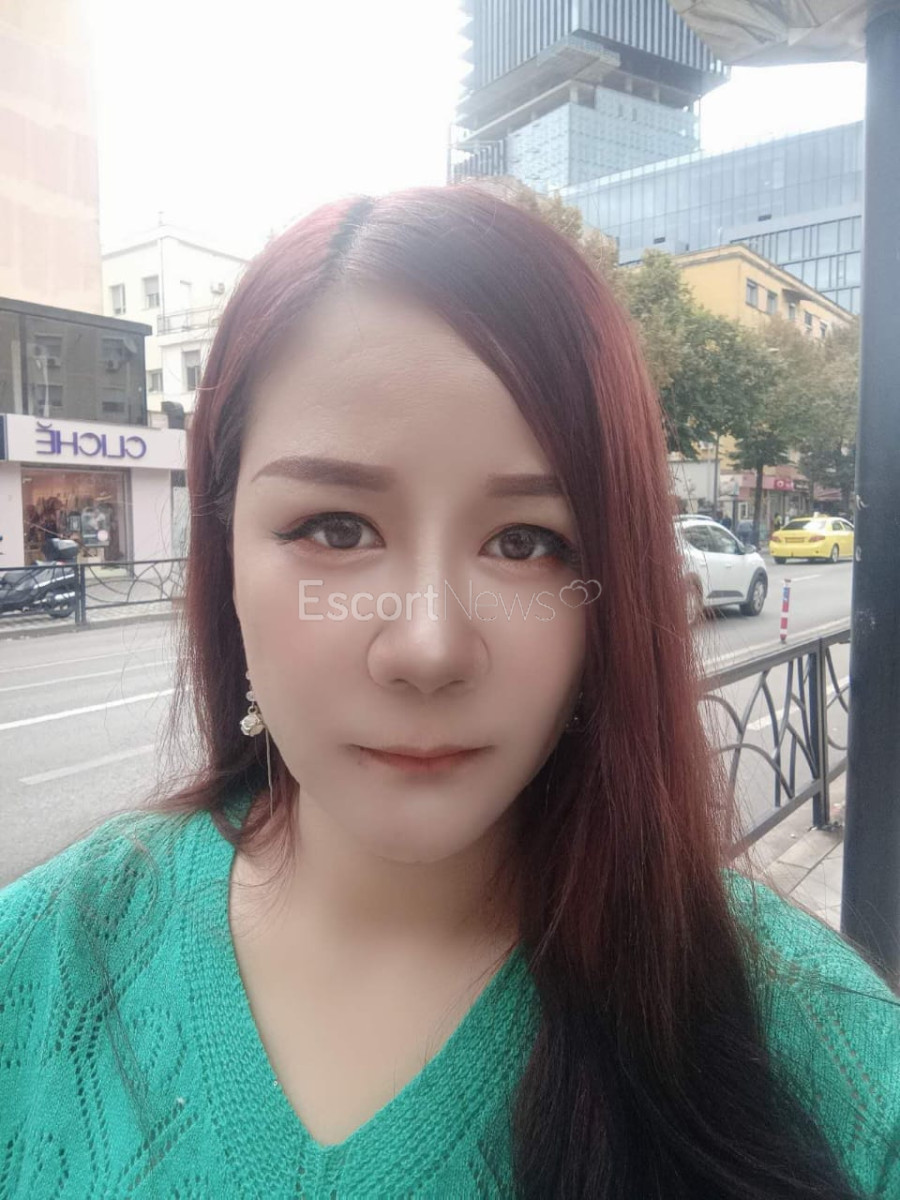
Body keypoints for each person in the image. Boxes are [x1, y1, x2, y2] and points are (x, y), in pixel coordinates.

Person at [1, 186, 898, 1199]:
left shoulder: (834, 1061)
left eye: (526, 541)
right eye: (336, 529)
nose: (427, 650)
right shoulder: (42, 962)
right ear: (225, 562)